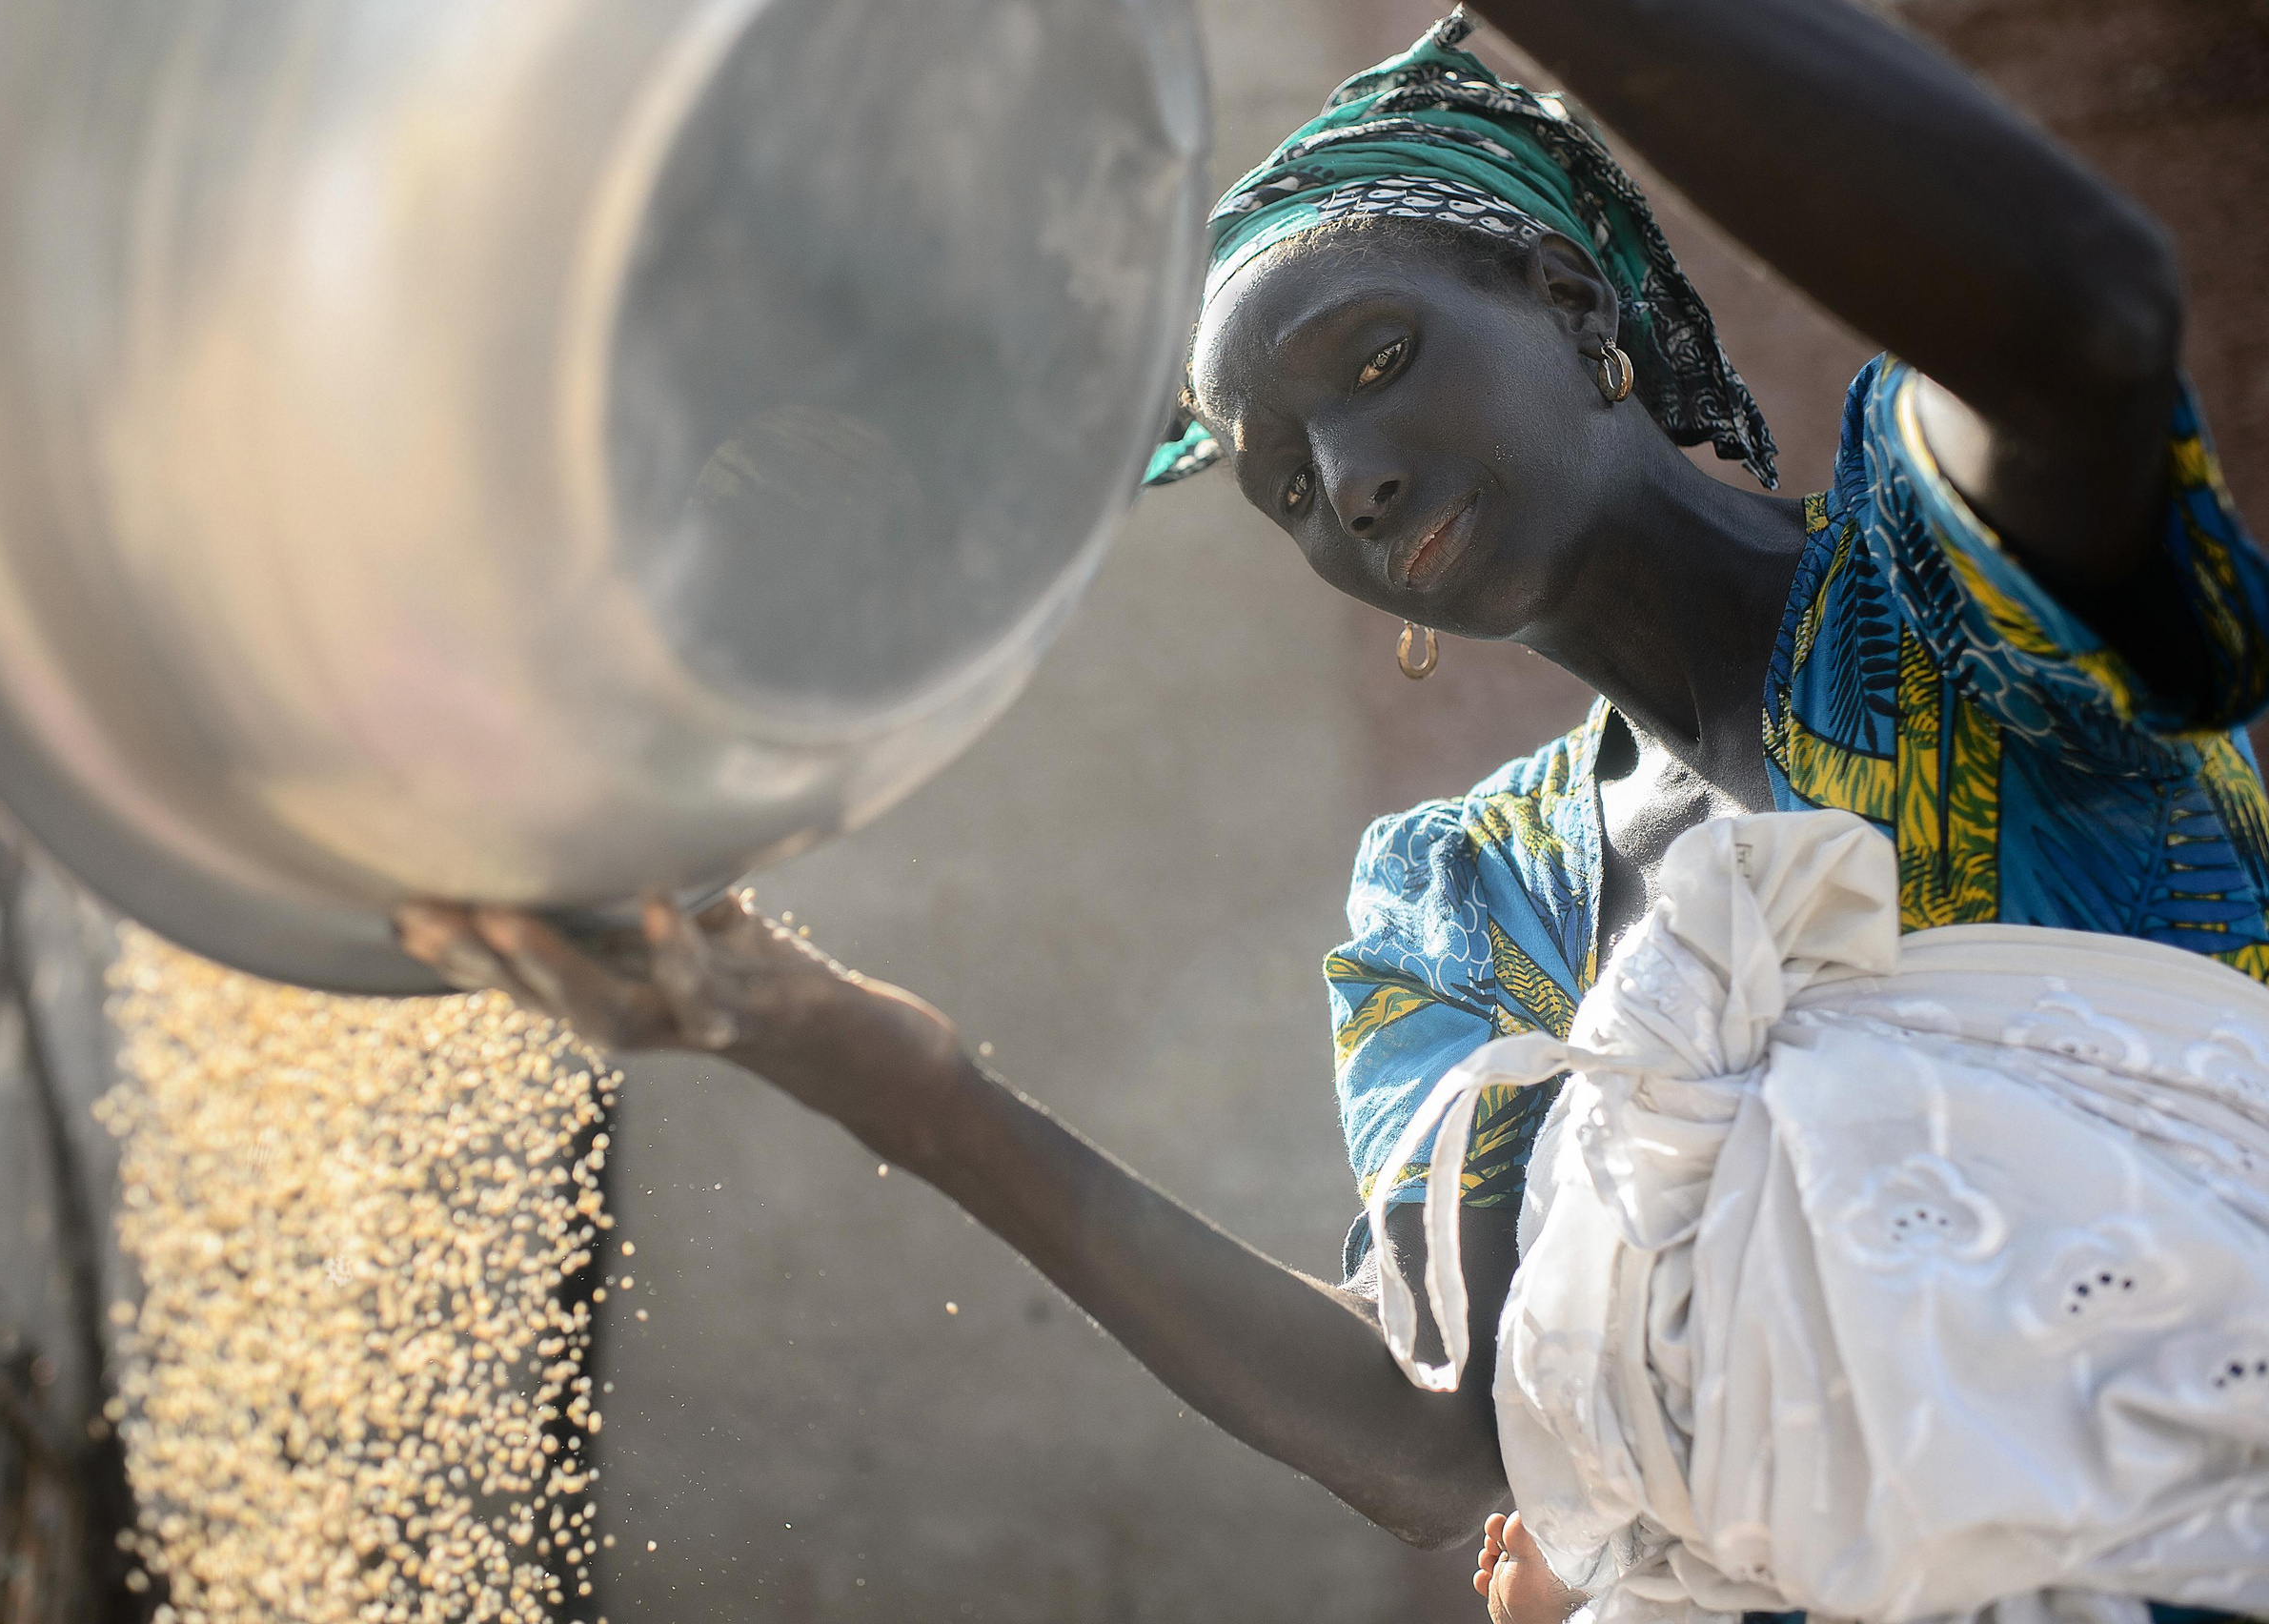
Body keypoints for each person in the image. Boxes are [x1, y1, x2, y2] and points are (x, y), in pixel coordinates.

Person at [398, 0, 2268, 1611]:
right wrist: (854, 1057)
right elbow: (1435, 1439)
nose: (1349, 482)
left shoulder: (1944, 599)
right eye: (1275, 478)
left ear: (1571, 299)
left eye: (1373, 363)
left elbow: (2078, 321)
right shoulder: (1468, 904)